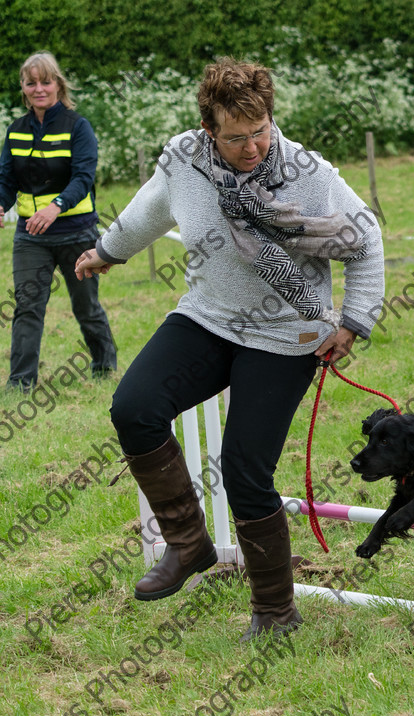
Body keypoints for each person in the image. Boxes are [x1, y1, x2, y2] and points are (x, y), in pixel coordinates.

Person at [75, 57, 384, 642]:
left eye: (261, 130)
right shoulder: (185, 160)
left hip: (286, 333)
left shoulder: (307, 174)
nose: (252, 146)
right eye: (236, 136)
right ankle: (188, 544)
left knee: (245, 470)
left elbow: (365, 242)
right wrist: (107, 251)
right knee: (133, 407)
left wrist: (354, 320)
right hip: (208, 318)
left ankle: (275, 613)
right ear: (209, 131)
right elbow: (146, 211)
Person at [0, 51, 117, 392]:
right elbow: (6, 179)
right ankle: (20, 383)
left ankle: (104, 366)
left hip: (75, 232)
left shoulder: (78, 127)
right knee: (27, 307)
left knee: (86, 306)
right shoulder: (16, 131)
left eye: (45, 81)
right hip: (30, 237)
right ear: (23, 88)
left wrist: (55, 206)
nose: (39, 88)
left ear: (58, 85)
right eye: (31, 82)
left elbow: (83, 177)